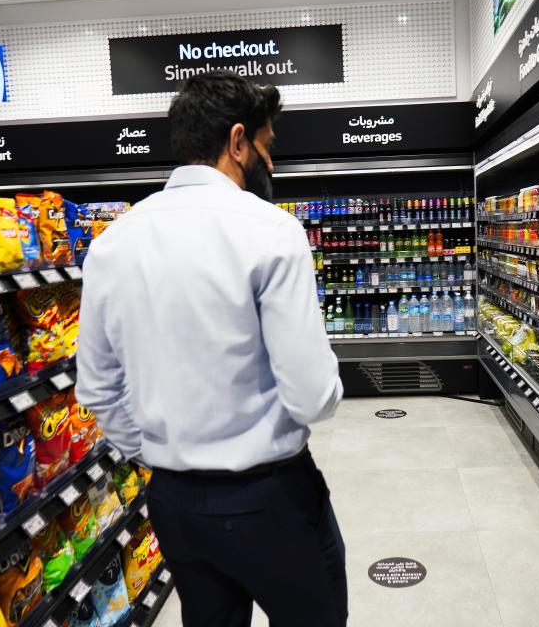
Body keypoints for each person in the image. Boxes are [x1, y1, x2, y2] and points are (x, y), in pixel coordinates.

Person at [75, 71, 346, 627]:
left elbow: (97, 388)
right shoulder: (271, 232)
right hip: (271, 499)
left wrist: (154, 452)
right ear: (239, 141)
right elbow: (313, 395)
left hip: (174, 504)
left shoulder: (112, 244)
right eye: (268, 147)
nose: (270, 164)